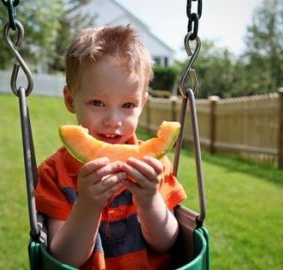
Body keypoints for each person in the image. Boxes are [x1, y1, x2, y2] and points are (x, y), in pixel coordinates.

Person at [35, 25, 187, 269]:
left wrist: (149, 201)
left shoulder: (155, 167)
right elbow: (64, 258)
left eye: (127, 105)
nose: (113, 121)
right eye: (97, 102)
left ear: (142, 104)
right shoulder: (55, 173)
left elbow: (166, 243)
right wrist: (88, 204)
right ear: (70, 100)